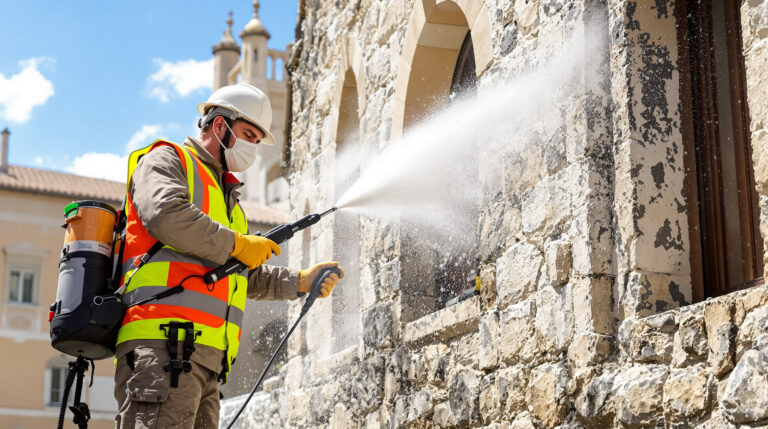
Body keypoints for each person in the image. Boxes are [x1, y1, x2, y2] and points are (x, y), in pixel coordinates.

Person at [113, 83, 343, 428]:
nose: (253, 147)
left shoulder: (231, 202)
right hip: (161, 347)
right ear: (219, 125)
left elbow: (237, 272)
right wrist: (238, 245)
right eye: (248, 135)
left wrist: (300, 281)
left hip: (206, 361)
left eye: (257, 140)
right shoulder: (167, 160)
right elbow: (164, 215)